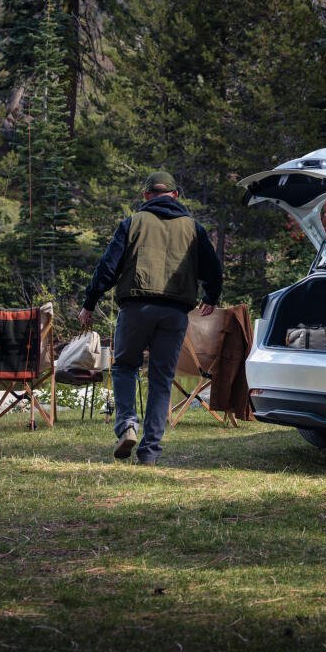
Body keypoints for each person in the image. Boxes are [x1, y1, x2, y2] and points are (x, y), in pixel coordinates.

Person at [80, 171, 223, 464]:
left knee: (125, 368)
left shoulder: (132, 223)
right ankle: (150, 452)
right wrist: (210, 296)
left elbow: (107, 268)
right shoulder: (193, 228)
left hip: (136, 308)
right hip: (174, 313)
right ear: (175, 196)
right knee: (161, 378)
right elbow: (213, 269)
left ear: (146, 196)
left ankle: (127, 425)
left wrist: (90, 302)